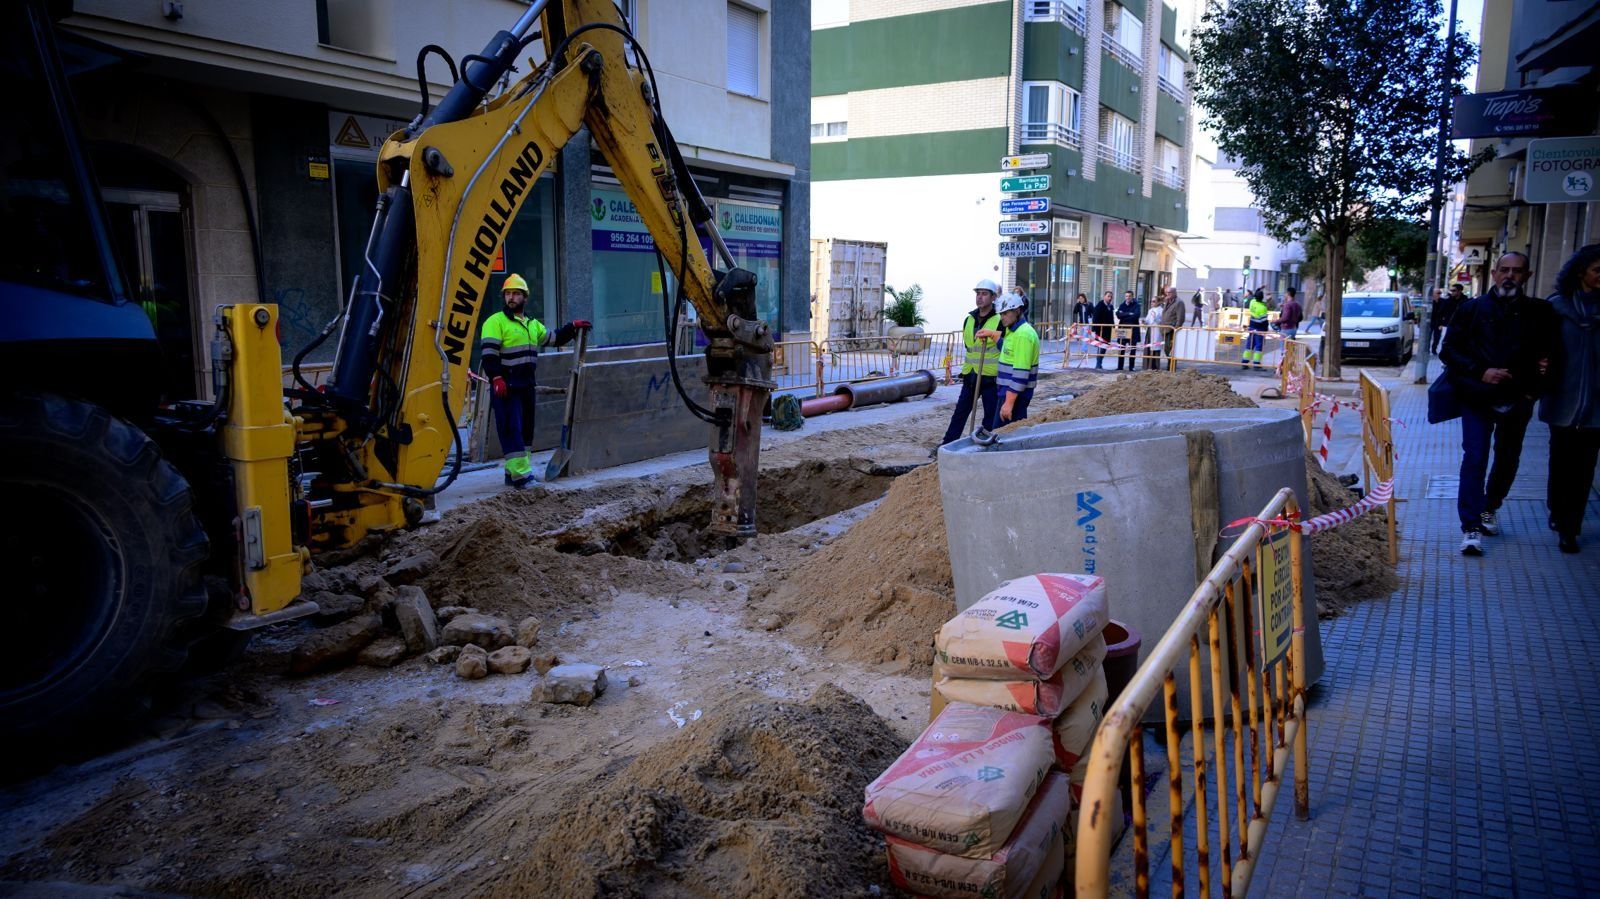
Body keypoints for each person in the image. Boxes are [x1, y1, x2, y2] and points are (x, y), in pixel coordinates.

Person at [1439, 252, 1553, 556]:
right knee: (1475, 458)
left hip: (1518, 400)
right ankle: (1470, 527)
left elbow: (1552, 356)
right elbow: (1449, 351)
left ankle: (1490, 507)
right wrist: (1481, 372)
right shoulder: (1470, 310)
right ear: (1494, 273)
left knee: (1507, 458)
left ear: (1527, 276)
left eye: (1517, 271)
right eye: (1505, 270)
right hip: (1477, 397)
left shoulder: (1540, 312)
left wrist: (1532, 391)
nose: (1510, 276)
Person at [479, 273, 586, 489]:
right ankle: (522, 477)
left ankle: (515, 473)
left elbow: (553, 338)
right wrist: (496, 377)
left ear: (524, 297)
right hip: (506, 387)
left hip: (526, 386)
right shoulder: (495, 322)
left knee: (526, 430)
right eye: (508, 294)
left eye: (516, 294)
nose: (511, 297)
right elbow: (489, 354)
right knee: (511, 429)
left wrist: (572, 327)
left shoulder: (531, 324)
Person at [1539, 244, 1600, 554]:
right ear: (1581, 273)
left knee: (1585, 469)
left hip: (1597, 407)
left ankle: (1570, 528)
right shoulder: (1558, 307)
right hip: (1563, 402)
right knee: (1561, 464)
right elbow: (1539, 347)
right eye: (1598, 270)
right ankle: (1558, 513)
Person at [939, 278, 1003, 447]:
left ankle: (985, 445)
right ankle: (948, 444)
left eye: (984, 294)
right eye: (978, 294)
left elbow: (1003, 346)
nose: (980, 297)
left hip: (990, 376)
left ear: (993, 297)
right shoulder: (969, 319)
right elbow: (970, 346)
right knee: (960, 413)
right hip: (971, 375)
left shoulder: (999, 320)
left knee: (990, 415)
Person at [979, 292, 1040, 423]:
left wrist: (1008, 404)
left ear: (1017, 311)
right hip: (1008, 393)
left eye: (1005, 313)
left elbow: (1021, 374)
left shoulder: (1023, 335)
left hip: (1014, 395)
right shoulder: (1013, 331)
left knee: (1003, 436)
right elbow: (1007, 351)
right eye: (1001, 314)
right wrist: (991, 334)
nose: (1002, 317)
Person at [1430, 283, 1466, 355]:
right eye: (1451, 290)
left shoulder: (1465, 301)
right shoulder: (1448, 301)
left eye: (1454, 290)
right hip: (1448, 325)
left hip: (1461, 325)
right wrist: (1440, 323)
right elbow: (1441, 313)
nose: (1452, 292)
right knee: (1446, 341)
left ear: (1459, 291)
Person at [1115, 289, 1142, 371]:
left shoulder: (1137, 305)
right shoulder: (1122, 305)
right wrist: (1129, 313)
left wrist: (1124, 314)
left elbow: (1136, 315)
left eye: (1129, 296)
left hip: (1133, 329)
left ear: (1132, 297)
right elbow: (1118, 315)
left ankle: (1131, 367)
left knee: (1132, 349)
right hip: (1123, 329)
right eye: (1126, 296)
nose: (1128, 298)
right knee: (1121, 348)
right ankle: (1120, 367)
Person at [1243, 287, 1270, 369]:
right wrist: (1266, 330)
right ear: (1262, 298)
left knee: (1249, 345)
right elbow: (1264, 321)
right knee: (1258, 346)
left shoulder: (1252, 302)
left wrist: (1259, 288)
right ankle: (1256, 363)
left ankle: (1244, 362)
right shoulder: (1263, 308)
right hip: (1260, 329)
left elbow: (1256, 296)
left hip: (1252, 327)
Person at [1160, 286, 1187, 369]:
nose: (1167, 294)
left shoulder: (1179, 302)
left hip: (1172, 330)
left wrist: (1176, 329)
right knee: (1166, 349)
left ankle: (1171, 367)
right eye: (1167, 293)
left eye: (1170, 293)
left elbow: (1180, 318)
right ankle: (1169, 365)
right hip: (1165, 329)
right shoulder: (1167, 301)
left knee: (1171, 349)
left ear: (1175, 293)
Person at [1091, 290, 1116, 369]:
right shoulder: (1099, 305)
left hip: (1108, 330)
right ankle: (1098, 363)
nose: (1110, 298)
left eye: (1111, 297)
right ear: (1104, 296)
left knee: (1105, 346)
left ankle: (1100, 362)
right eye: (1108, 296)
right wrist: (1095, 329)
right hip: (1100, 330)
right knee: (1100, 346)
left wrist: (1113, 326)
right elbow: (1095, 318)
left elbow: (1111, 317)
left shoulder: (1110, 306)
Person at [1142, 294, 1165, 370]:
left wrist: (1156, 319)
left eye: (1154, 301)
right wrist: (1145, 321)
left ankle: (1155, 367)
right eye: (1151, 301)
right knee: (1148, 347)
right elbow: (1148, 319)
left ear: (1158, 302)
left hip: (1156, 330)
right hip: (1150, 330)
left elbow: (1162, 321)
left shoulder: (1161, 310)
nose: (1152, 303)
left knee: (1155, 348)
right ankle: (1147, 366)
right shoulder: (1150, 310)